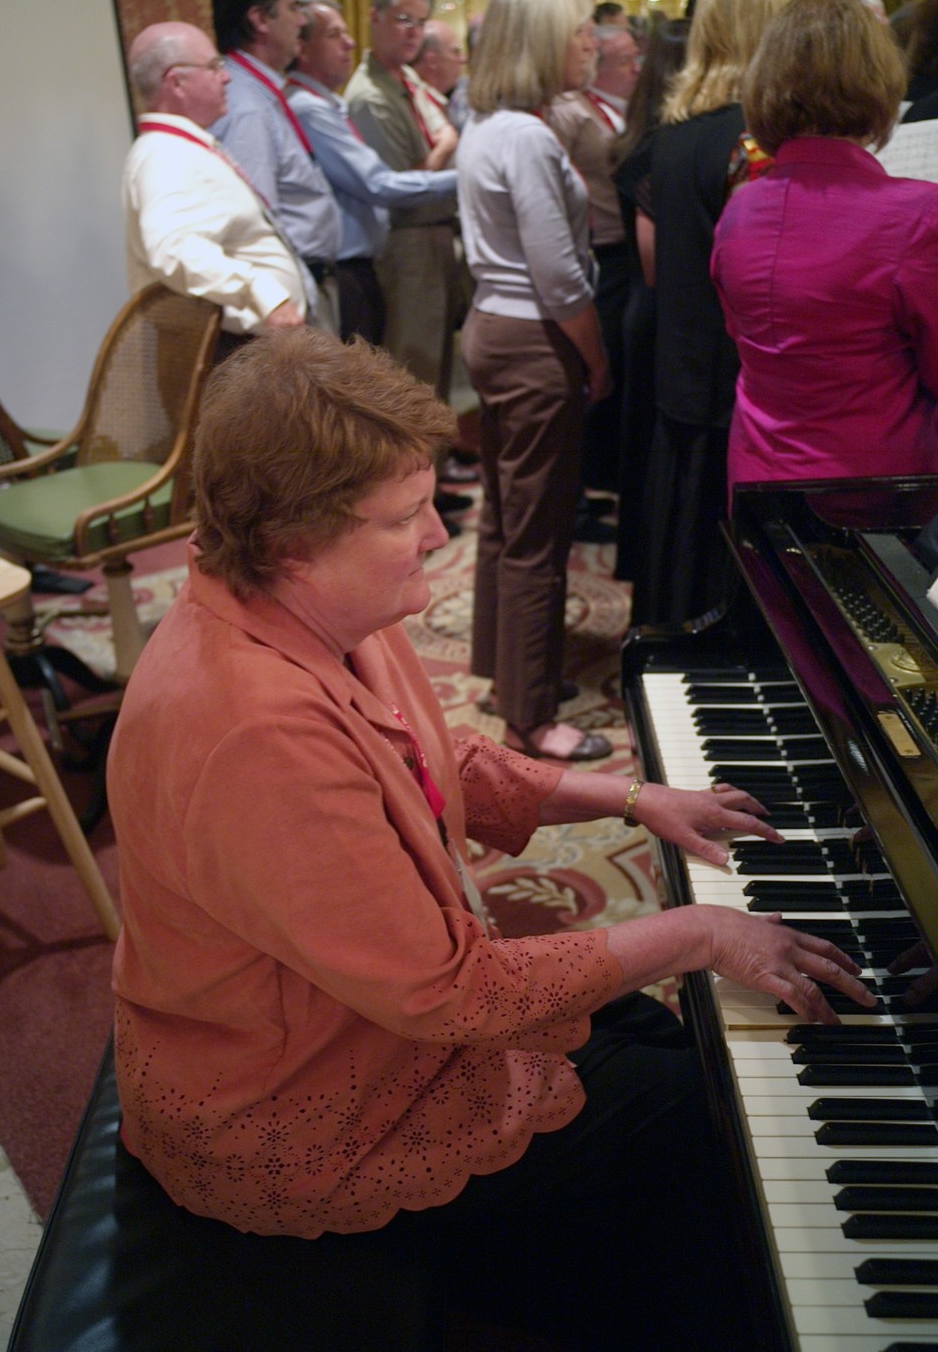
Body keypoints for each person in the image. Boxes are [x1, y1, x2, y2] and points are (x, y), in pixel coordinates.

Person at [108, 329, 873, 1352]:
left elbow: (431, 758)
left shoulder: (318, 607)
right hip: (301, 1104)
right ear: (292, 542)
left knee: (687, 1046)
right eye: (403, 519)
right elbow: (446, 992)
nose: (438, 532)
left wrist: (632, 798)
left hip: (375, 1018)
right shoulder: (253, 731)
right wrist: (699, 932)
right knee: (712, 1123)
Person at [457, 0, 612, 762]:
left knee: (505, 515)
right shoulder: (526, 136)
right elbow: (557, 274)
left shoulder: (487, 125)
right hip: (531, 337)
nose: (592, 44)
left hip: (493, 326)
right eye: (580, 30)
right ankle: (530, 716)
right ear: (543, 42)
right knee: (537, 532)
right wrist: (596, 356)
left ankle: (504, 674)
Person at [633, 0, 804, 629]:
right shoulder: (752, 143)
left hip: (682, 366)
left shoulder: (675, 134)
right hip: (735, 383)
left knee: (681, 552)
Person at [711, 0, 938, 491]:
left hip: (758, 485)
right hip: (878, 495)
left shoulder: (740, 209)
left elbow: (745, 338)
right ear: (877, 82)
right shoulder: (918, 215)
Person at [123, 21, 308, 349]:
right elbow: (174, 247)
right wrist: (262, 292)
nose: (226, 77)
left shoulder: (181, 148)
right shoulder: (167, 155)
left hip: (247, 342)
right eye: (213, 66)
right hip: (231, 349)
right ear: (176, 81)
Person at [285, 0, 457, 346]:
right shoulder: (308, 108)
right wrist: (466, 178)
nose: (350, 44)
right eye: (335, 35)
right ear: (302, 48)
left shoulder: (328, 104)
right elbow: (378, 184)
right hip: (347, 268)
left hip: (360, 266)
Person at [344, 0, 461, 399]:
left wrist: (443, 143)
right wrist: (445, 144)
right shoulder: (369, 96)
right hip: (407, 241)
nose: (414, 32)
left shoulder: (406, 78)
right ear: (374, 18)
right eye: (402, 19)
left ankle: (439, 444)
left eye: (421, 22)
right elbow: (401, 185)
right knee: (414, 371)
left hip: (437, 234)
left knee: (439, 365)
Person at [209, 0, 340, 331]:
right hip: (287, 303)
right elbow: (255, 226)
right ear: (259, 20)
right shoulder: (246, 107)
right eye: (293, 7)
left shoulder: (259, 93)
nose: (302, 21)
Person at [611, 18, 690, 582]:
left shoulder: (645, 140)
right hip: (656, 313)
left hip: (645, 310)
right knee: (654, 455)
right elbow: (658, 265)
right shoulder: (660, 151)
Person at [548, 23, 641, 500]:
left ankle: (605, 473)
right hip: (598, 249)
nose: (636, 70)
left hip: (622, 249)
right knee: (597, 368)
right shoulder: (568, 111)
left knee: (617, 366)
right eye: (625, 61)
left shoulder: (611, 106)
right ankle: (587, 480)